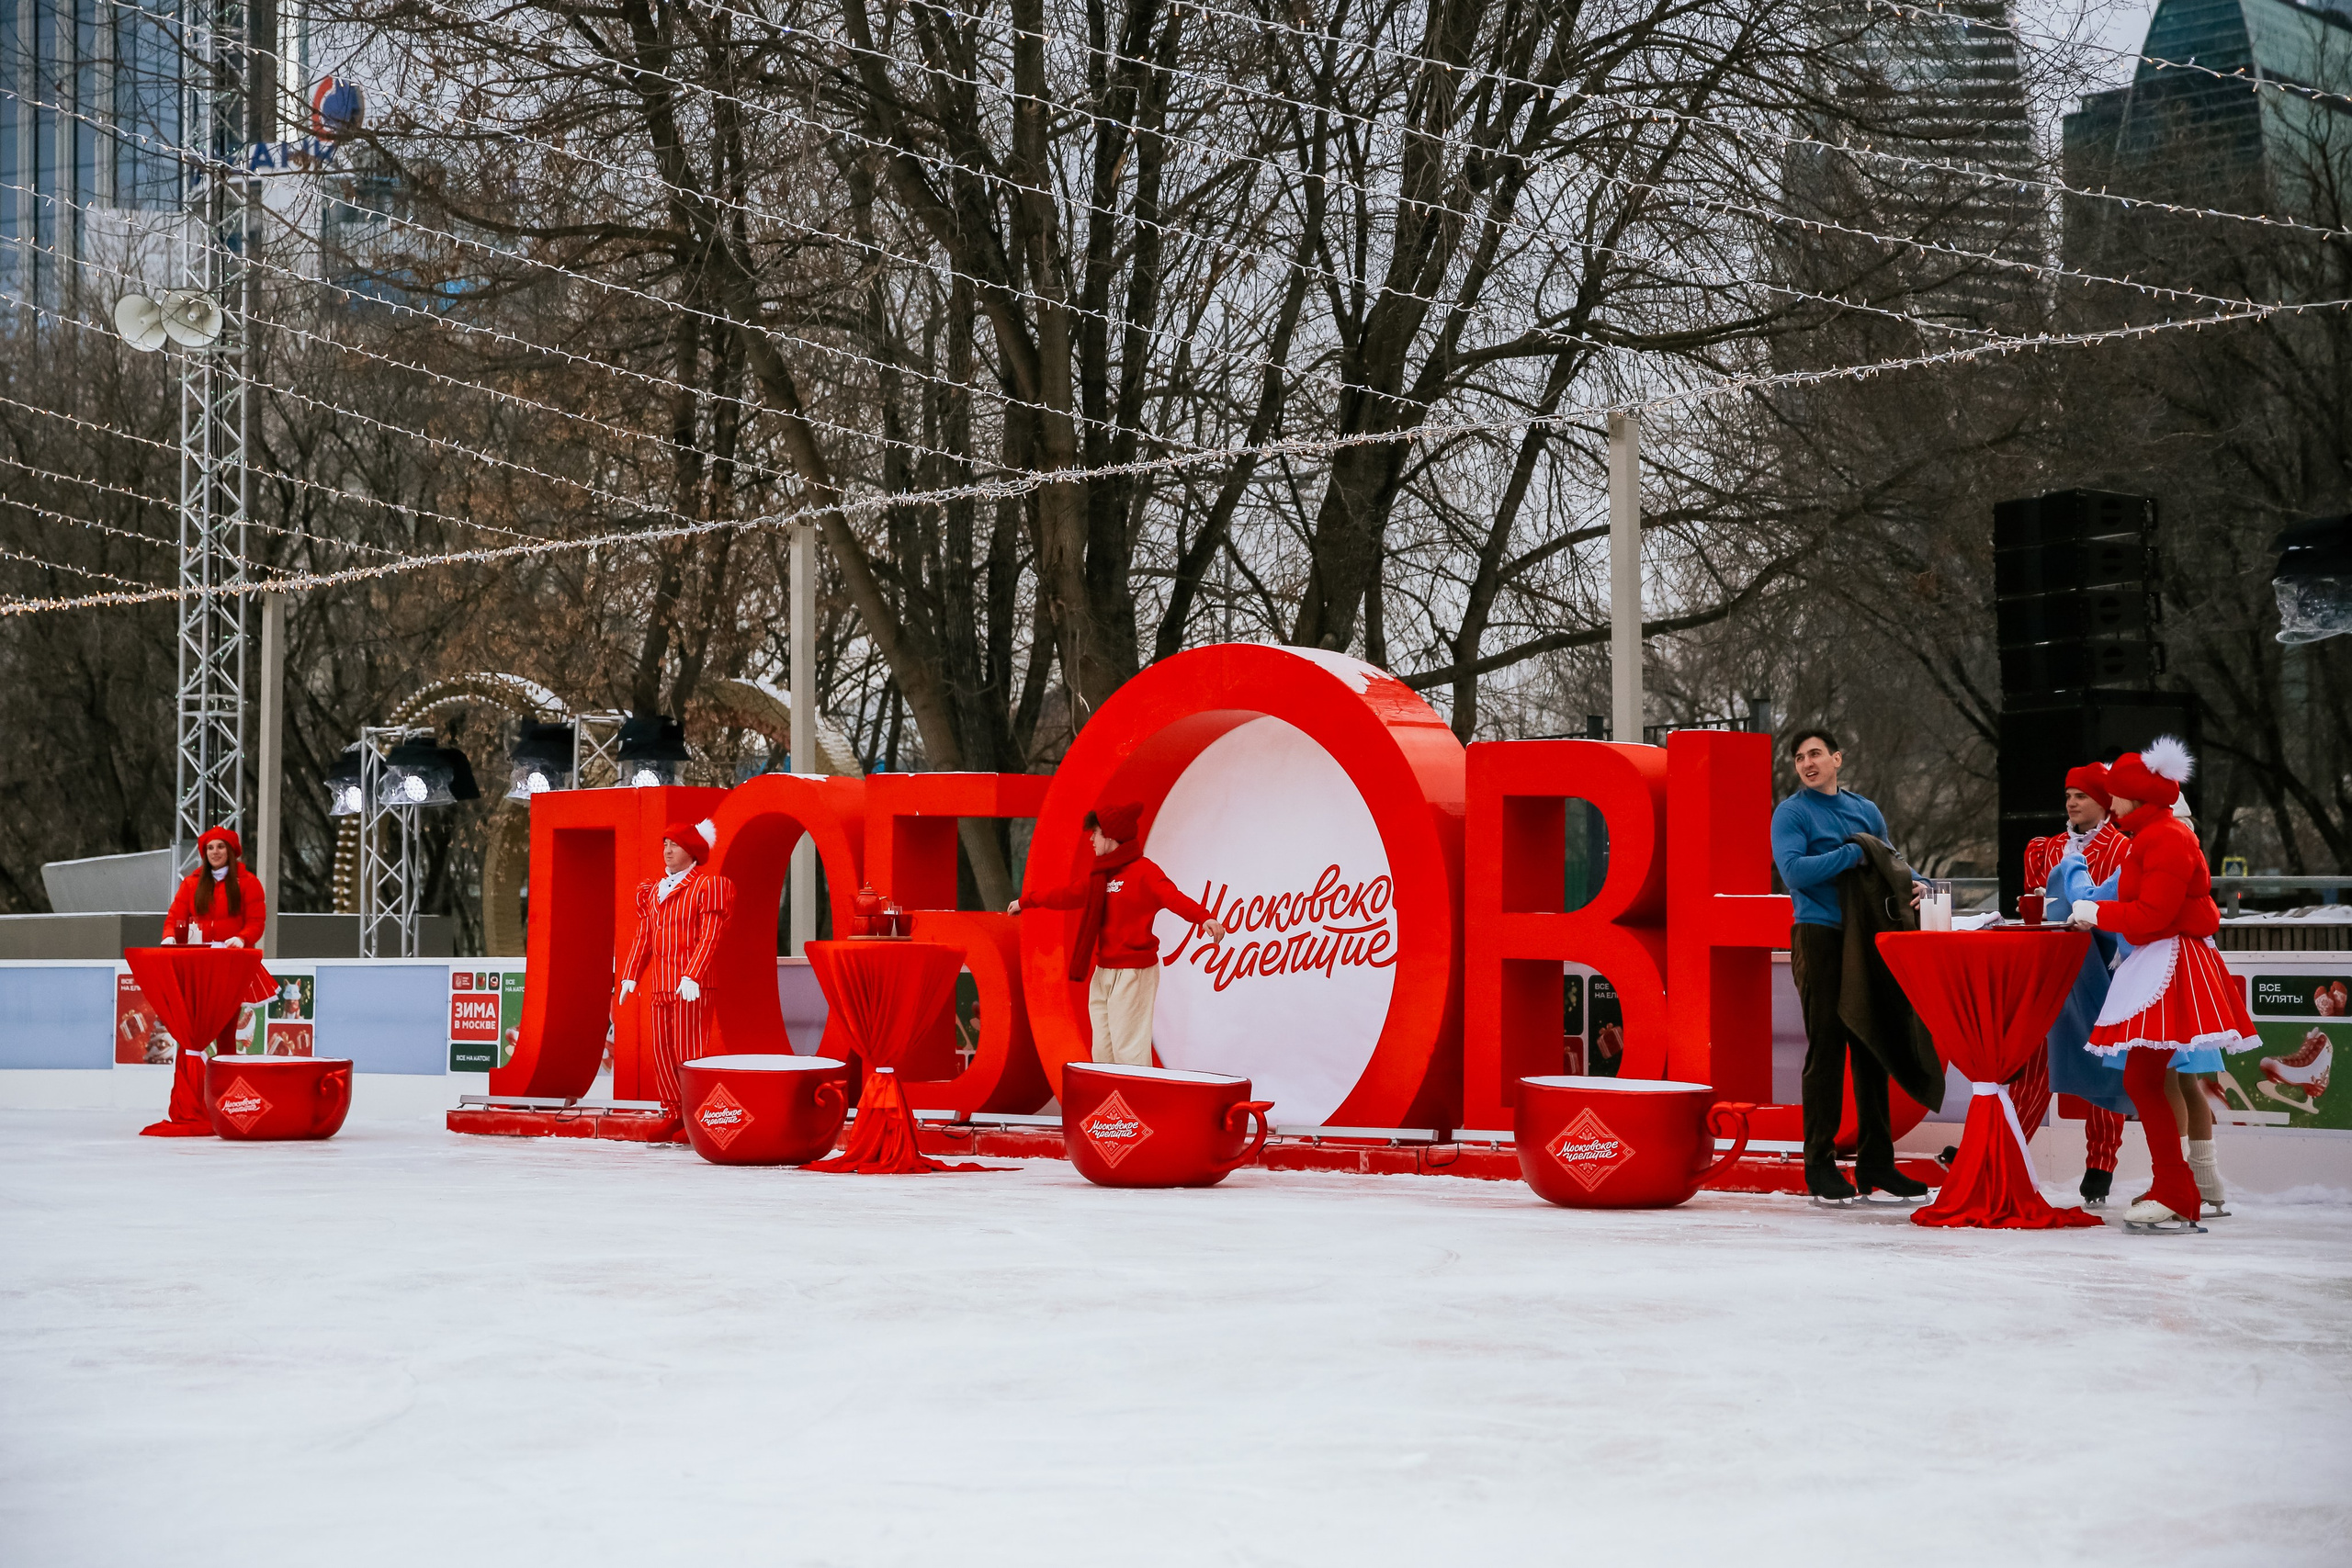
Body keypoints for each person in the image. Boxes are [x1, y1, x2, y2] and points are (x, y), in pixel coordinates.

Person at [2067, 738, 2258, 1233]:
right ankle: (2179, 1184)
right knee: (2149, 1079)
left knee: (2151, 1079)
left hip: (2169, 965)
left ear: (2136, 796)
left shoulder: (2167, 837)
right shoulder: (2152, 836)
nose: (2112, 802)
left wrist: (2096, 910)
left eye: (2117, 794)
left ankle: (2178, 1188)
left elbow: (2155, 913)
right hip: (2158, 961)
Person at [1770, 728, 1931, 1204]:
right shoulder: (1792, 812)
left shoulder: (1866, 810)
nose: (1807, 763)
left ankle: (1876, 1163)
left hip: (1867, 935)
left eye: (1815, 754)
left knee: (1872, 1045)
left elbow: (1889, 861)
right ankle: (1818, 1164)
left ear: (1837, 759)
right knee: (1827, 1048)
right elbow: (1795, 872)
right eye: (1799, 758)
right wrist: (1853, 852)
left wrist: (1918, 883)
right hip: (1819, 934)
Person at [1010, 801, 1229, 1066]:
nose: (1091, 838)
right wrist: (1027, 901)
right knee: (1103, 1052)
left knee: (1129, 1051)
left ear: (1111, 835)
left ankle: (1137, 1105)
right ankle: (1110, 1105)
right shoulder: (1100, 876)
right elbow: (1067, 895)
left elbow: (1173, 897)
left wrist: (1204, 917)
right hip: (1104, 971)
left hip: (1134, 972)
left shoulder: (1144, 872)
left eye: (1096, 833)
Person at [2016, 762, 2132, 1204]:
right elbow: (2032, 904)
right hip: (2053, 969)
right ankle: (2007, 1148)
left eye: (2081, 794)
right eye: (2068, 794)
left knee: (2107, 1067)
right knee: (2035, 1063)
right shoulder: (2046, 848)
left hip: (2105, 970)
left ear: (2104, 801)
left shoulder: (2123, 848)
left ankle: (2101, 1166)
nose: (2071, 802)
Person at [142, 825, 273, 1138]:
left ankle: (229, 1101)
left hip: (229, 965)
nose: (215, 852)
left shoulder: (247, 883)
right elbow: (175, 915)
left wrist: (242, 939)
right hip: (198, 965)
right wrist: (170, 936)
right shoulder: (191, 884)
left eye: (221, 847)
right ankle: (194, 1102)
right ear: (204, 853)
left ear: (231, 851)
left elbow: (256, 921)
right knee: (191, 1033)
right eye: (210, 848)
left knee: (227, 1033)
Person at [616, 820, 735, 1116]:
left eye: (675, 845)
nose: (668, 851)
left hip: (691, 985)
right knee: (663, 1051)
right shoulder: (653, 891)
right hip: (662, 983)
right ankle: (673, 1110)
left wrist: (693, 974)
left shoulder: (706, 886)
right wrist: (630, 975)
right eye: (665, 844)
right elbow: (645, 936)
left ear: (691, 851)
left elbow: (710, 935)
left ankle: (694, 1113)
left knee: (688, 1052)